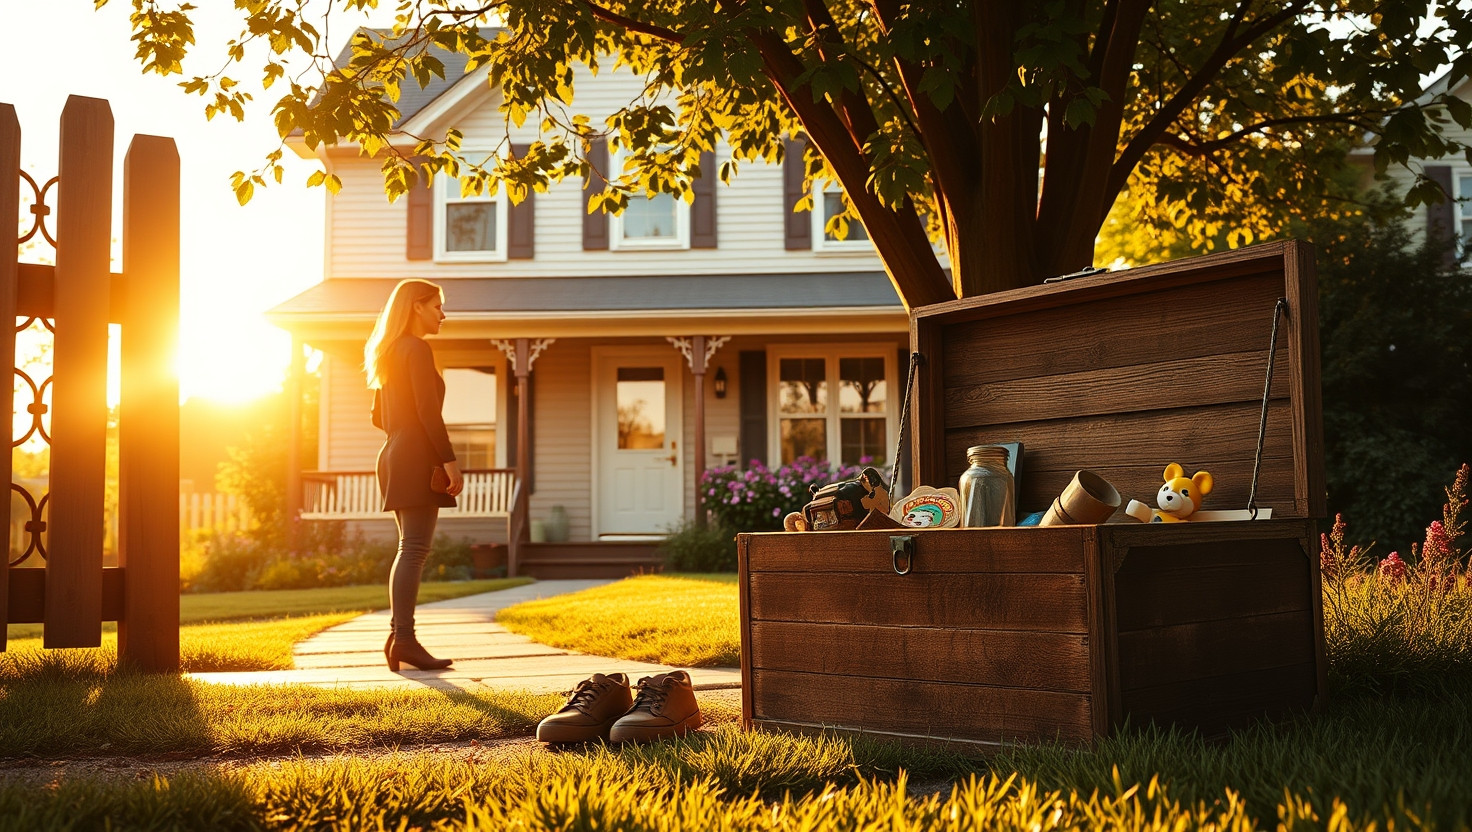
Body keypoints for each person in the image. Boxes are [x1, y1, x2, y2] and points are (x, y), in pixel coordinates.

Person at [364, 279, 464, 671]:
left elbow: (377, 417)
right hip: (415, 458)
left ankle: (398, 638)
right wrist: (449, 460)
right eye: (437, 306)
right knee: (415, 549)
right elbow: (428, 412)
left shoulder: (388, 351)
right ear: (417, 307)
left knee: (410, 547)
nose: (443, 314)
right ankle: (404, 639)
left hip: (392, 454)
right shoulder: (418, 348)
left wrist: (402, 436)